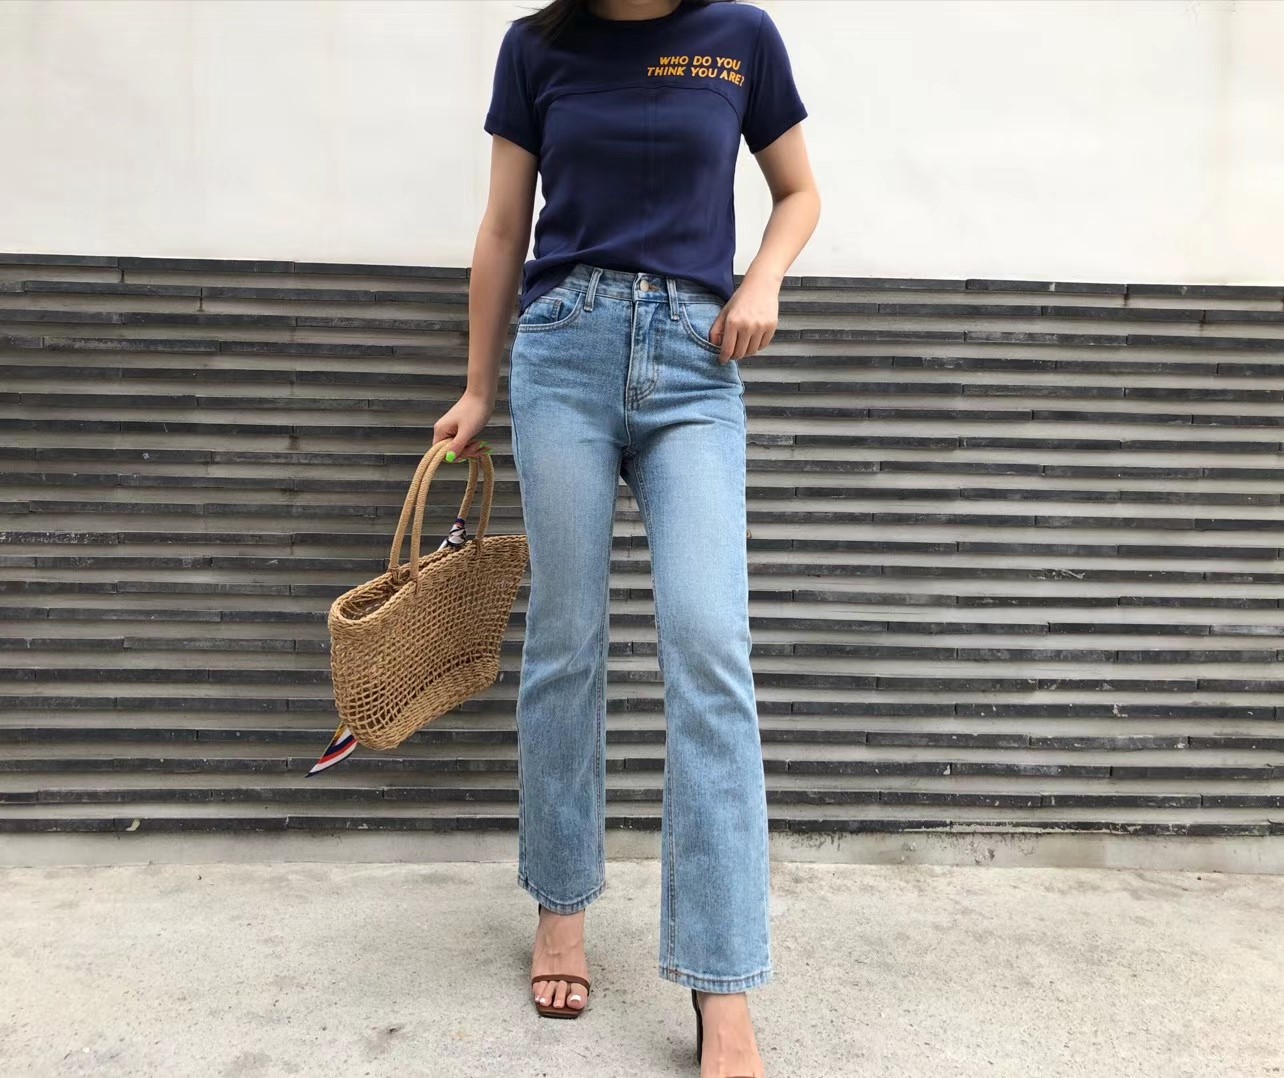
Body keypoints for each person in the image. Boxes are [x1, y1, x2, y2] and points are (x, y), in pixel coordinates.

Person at [433, 0, 819, 1073]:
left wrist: (763, 277)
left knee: (710, 647)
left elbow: (799, 191)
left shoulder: (741, 38)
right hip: (563, 353)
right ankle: (560, 906)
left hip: (698, 361)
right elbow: (504, 227)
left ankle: (723, 980)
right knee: (566, 639)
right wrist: (476, 388)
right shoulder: (537, 47)